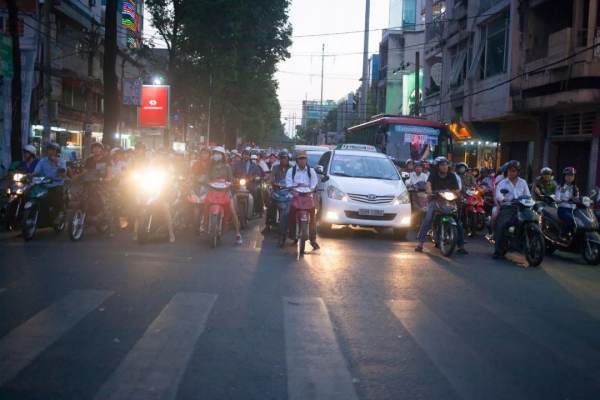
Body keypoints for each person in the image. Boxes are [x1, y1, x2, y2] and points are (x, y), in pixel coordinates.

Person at [414, 157, 468, 254]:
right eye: (442, 165)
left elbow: (456, 189)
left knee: (458, 221)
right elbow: (428, 184)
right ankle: (420, 244)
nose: (444, 167)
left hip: (449, 201)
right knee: (428, 219)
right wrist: (429, 190)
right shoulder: (433, 175)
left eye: (446, 164)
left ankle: (461, 246)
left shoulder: (452, 176)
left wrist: (458, 195)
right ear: (437, 166)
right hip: (436, 200)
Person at [492, 160, 531, 259]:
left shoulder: (523, 182)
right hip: (508, 207)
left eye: (513, 171)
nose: (511, 173)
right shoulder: (503, 183)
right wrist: (504, 199)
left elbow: (528, 195)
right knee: (502, 224)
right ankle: (498, 251)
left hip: (522, 207)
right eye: (509, 170)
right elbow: (498, 195)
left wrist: (528, 200)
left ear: (518, 172)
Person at [285, 151, 320, 250]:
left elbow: (314, 184)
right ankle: (290, 234)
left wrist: (311, 191)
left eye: (304, 159)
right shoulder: (291, 171)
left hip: (308, 196)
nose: (302, 160)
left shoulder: (311, 171)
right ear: (297, 160)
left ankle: (313, 239)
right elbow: (289, 184)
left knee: (313, 217)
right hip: (295, 195)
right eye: (300, 159)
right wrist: (293, 191)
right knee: (287, 213)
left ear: (306, 160)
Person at [208, 146, 243, 245]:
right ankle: (203, 224)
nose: (216, 155)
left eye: (218, 153)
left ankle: (238, 234)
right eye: (215, 153)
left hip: (225, 191)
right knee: (204, 205)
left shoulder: (227, 167)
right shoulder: (210, 167)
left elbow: (230, 180)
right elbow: (207, 178)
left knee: (232, 211)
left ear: (222, 156)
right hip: (213, 191)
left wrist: (229, 184)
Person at [33, 142, 67, 222]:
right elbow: (36, 172)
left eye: (52, 150)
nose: (50, 152)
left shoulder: (61, 161)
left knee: (56, 196)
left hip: (57, 184)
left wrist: (56, 163)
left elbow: (63, 174)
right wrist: (29, 175)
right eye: (49, 150)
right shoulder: (42, 161)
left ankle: (59, 214)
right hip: (44, 185)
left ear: (56, 152)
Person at [264, 151, 291, 237]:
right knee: (270, 204)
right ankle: (268, 224)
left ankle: (292, 227)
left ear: (288, 159)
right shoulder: (275, 168)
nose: (283, 160)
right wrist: (272, 184)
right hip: (277, 191)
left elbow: (295, 179)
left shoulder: (292, 169)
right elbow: (271, 178)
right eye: (282, 158)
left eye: (285, 158)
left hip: (289, 192)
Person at [555, 167, 579, 236]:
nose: (570, 177)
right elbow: (557, 199)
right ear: (564, 176)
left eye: (572, 175)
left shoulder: (575, 188)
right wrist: (563, 200)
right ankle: (563, 235)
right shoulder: (560, 187)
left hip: (574, 210)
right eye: (568, 175)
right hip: (563, 209)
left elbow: (577, 199)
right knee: (572, 220)